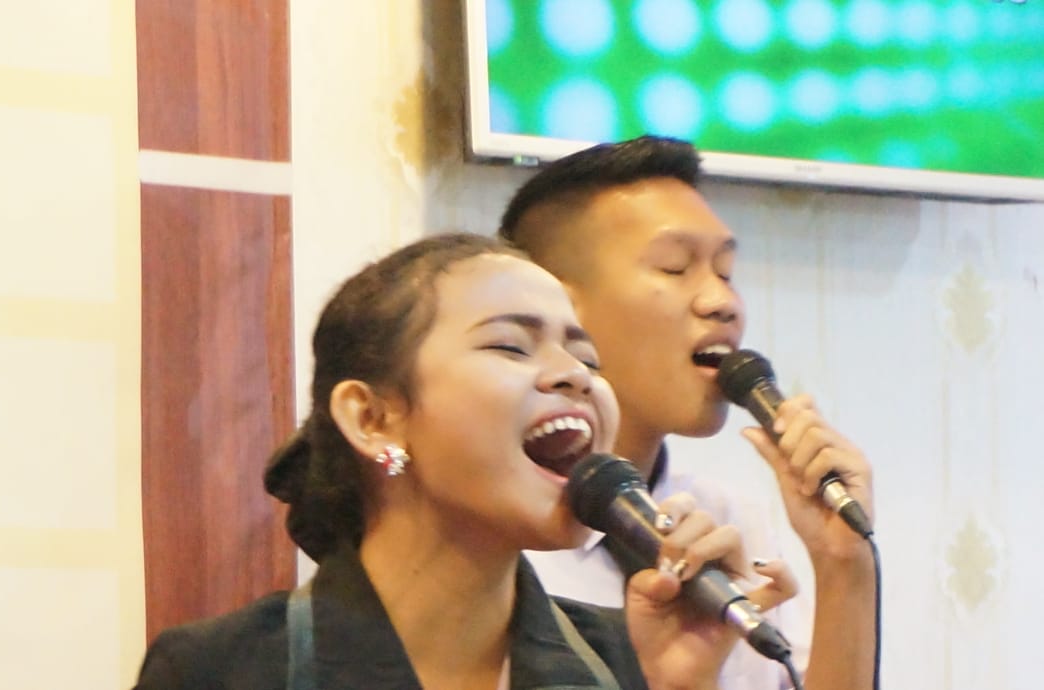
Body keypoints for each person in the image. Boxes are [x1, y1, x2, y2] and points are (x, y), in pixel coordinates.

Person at [131, 233, 795, 690]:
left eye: (586, 359)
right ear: (372, 418)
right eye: (511, 347)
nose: (575, 376)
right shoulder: (221, 670)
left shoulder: (624, 658)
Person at [501, 136, 877, 690]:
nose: (722, 303)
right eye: (675, 268)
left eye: (725, 273)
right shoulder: (498, 537)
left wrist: (844, 563)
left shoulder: (729, 523)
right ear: (554, 305)